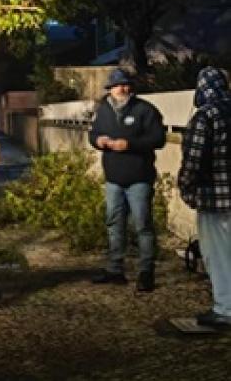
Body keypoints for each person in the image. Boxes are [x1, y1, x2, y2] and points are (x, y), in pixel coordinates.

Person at [88, 67, 165, 292]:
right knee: (114, 223)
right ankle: (115, 269)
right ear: (110, 88)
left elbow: (158, 138)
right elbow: (92, 134)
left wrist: (129, 145)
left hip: (139, 177)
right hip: (113, 178)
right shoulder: (103, 110)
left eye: (126, 84)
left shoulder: (145, 110)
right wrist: (98, 141)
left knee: (142, 225)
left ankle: (146, 272)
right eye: (118, 85)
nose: (123, 88)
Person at [177, 66, 231, 330]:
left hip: (216, 199)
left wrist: (186, 188)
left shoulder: (206, 116)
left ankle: (225, 308)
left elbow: (194, 158)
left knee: (218, 255)